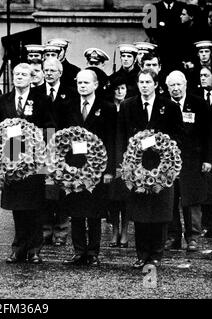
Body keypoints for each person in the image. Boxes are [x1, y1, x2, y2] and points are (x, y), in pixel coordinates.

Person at [116, 69, 183, 269]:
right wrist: (123, 164)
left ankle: (156, 255)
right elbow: (121, 135)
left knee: (160, 213)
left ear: (155, 84)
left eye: (148, 82)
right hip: (136, 168)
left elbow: (177, 136)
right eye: (141, 82)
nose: (144, 85)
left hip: (162, 169)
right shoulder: (128, 106)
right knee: (140, 213)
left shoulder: (169, 106)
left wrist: (153, 142)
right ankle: (141, 254)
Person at [0, 63, 55, 264]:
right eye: (16, 74)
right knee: (17, 207)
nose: (19, 77)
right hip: (11, 158)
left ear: (31, 78)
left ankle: (34, 249)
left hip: (34, 159)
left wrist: (39, 145)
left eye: (23, 74)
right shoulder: (2, 100)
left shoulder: (42, 100)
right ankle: (18, 248)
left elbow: (50, 127)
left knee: (35, 206)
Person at [59, 70, 116, 267]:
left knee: (93, 211)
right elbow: (60, 138)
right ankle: (78, 251)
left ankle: (93, 252)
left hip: (96, 168)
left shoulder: (107, 108)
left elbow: (111, 139)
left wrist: (109, 170)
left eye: (86, 83)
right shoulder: (67, 106)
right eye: (79, 82)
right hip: (73, 167)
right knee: (75, 211)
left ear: (96, 85)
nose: (82, 86)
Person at [164, 71, 212, 251]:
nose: (176, 89)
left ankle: (193, 237)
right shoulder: (164, 105)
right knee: (170, 198)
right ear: (167, 87)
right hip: (169, 160)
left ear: (185, 85)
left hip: (193, 159)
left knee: (192, 199)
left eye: (179, 85)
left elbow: (209, 133)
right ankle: (172, 236)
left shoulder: (199, 104)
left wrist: (208, 159)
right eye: (172, 85)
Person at [34, 57, 76, 247]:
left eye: (52, 70)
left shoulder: (70, 94)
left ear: (60, 73)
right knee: (44, 191)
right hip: (41, 149)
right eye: (46, 70)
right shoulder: (36, 94)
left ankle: (60, 230)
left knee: (61, 190)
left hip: (63, 149)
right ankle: (45, 229)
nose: (49, 73)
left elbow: (72, 122)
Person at [106, 76, 130, 248]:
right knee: (112, 195)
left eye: (123, 88)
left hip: (128, 152)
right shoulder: (108, 108)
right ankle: (114, 228)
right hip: (110, 152)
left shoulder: (130, 106)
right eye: (117, 88)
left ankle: (125, 229)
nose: (120, 91)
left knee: (126, 195)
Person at [199, 66, 212, 238]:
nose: (202, 78)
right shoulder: (198, 98)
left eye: (206, 75)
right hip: (206, 149)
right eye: (200, 76)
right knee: (208, 190)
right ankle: (208, 225)